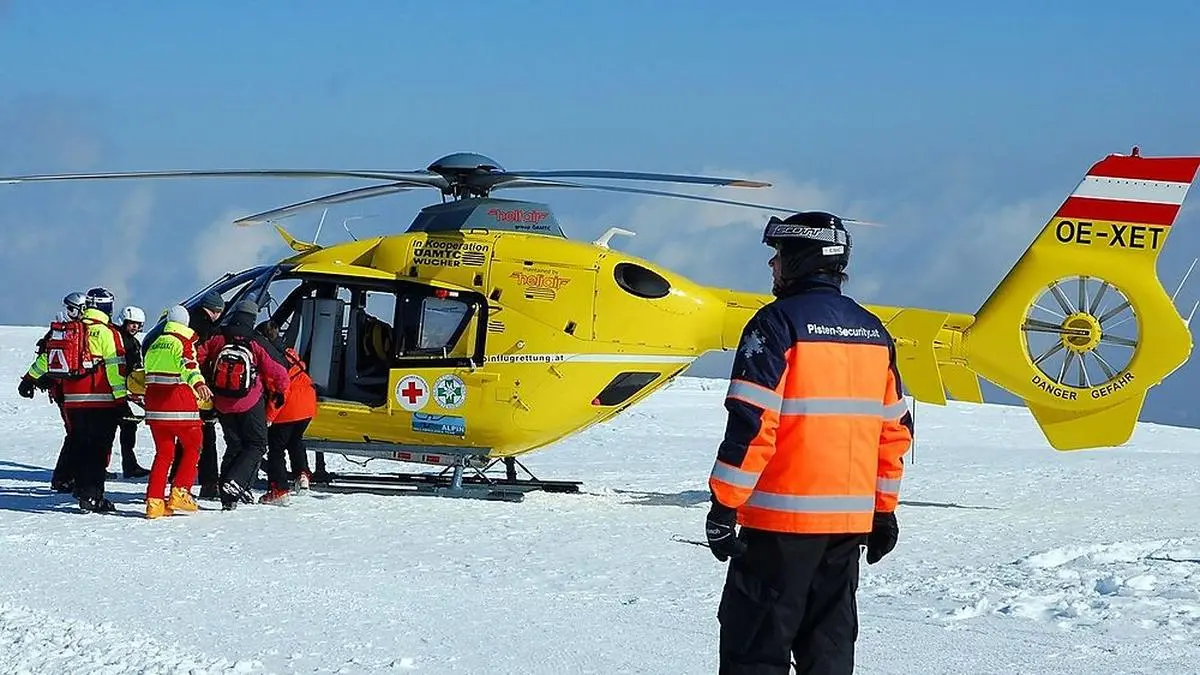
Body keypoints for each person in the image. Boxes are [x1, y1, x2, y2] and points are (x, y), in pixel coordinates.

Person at [704, 211, 913, 674]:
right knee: (829, 652)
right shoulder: (873, 332)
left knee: (755, 651)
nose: (772, 266)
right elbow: (893, 430)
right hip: (844, 532)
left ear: (801, 259)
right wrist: (883, 510)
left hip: (778, 529)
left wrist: (723, 506)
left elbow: (754, 421)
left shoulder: (775, 324)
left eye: (778, 256)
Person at [196, 299, 290, 510]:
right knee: (257, 444)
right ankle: (235, 483)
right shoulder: (256, 339)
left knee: (234, 444)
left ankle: (228, 497)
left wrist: (203, 381)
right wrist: (278, 395)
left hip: (221, 401)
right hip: (249, 401)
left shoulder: (218, 335)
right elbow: (279, 374)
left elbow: (197, 356)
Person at [55, 286, 128, 512]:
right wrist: (121, 399)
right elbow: (116, 369)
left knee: (80, 444)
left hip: (72, 401)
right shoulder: (108, 332)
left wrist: (29, 379)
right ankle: (91, 496)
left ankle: (76, 485)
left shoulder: (70, 329)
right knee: (97, 450)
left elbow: (49, 357)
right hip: (101, 401)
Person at [141, 305, 213, 518]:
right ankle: (180, 491)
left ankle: (154, 502)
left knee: (163, 454)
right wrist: (199, 384)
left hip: (155, 408)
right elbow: (188, 365)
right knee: (193, 445)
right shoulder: (183, 342)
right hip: (179, 407)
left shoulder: (155, 343)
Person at [17, 291, 87, 493]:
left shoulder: (70, 329)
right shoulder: (67, 332)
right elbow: (46, 360)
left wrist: (29, 380)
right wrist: (29, 379)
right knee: (75, 433)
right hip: (66, 391)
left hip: (69, 390)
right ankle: (63, 477)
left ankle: (72, 474)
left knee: (77, 433)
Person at [170, 290, 225, 498]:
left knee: (183, 437)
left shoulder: (185, 325)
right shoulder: (208, 331)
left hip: (178, 390)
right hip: (199, 388)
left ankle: (176, 476)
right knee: (205, 437)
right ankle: (209, 482)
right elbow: (199, 359)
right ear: (215, 311)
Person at [257, 319, 318, 503]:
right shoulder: (289, 352)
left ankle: (279, 489)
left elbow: (279, 392)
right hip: (307, 405)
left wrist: (269, 417)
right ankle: (302, 475)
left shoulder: (270, 358)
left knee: (276, 449)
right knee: (295, 441)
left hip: (288, 408)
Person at [112, 305, 150, 479]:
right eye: (132, 324)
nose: (135, 327)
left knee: (129, 426)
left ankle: (129, 464)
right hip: (117, 391)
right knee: (122, 427)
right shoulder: (119, 339)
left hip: (127, 390)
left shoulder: (133, 342)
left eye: (137, 324)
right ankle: (129, 465)